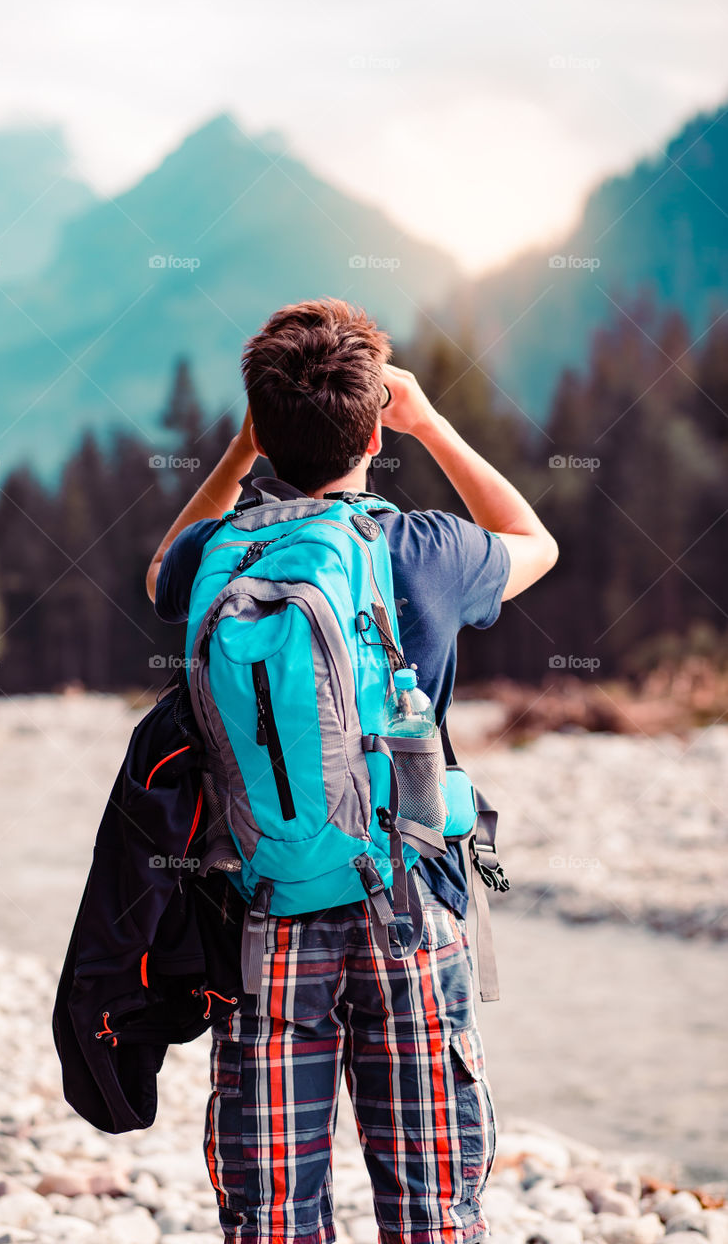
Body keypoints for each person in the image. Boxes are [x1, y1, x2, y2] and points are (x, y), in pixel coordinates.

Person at [146, 298, 558, 1244]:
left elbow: (159, 571)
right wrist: (432, 423)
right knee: (430, 1212)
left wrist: (243, 448)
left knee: (273, 1218)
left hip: (264, 913)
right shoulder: (422, 550)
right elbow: (536, 542)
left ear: (262, 427)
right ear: (376, 428)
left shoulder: (217, 556)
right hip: (408, 909)